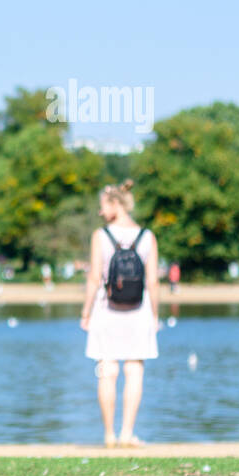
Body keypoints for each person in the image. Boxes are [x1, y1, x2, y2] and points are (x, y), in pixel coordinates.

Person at [80, 179, 159, 447]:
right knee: (135, 370)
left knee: (107, 369)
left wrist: (85, 313)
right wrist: (156, 316)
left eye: (103, 206)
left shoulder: (100, 236)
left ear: (115, 204)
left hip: (106, 310)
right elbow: (153, 282)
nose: (101, 212)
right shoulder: (147, 236)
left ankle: (109, 435)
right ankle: (127, 433)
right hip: (139, 311)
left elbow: (93, 278)